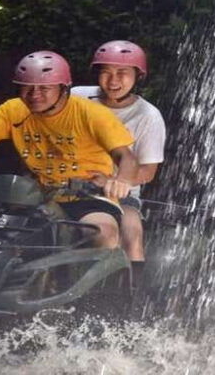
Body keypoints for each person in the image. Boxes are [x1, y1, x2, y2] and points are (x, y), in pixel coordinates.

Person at [0, 50, 138, 249]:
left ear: (64, 88)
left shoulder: (91, 114)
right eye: (27, 87)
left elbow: (126, 156)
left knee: (103, 233)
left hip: (88, 199)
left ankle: (100, 292)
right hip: (33, 198)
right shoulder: (14, 109)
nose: (34, 94)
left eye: (44, 88)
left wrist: (122, 181)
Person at [72, 40, 167, 274]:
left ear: (138, 77)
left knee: (131, 234)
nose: (113, 81)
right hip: (66, 184)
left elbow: (147, 171)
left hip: (119, 195)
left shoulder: (149, 116)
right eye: (106, 73)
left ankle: (127, 303)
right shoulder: (76, 98)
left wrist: (115, 183)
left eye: (122, 73)